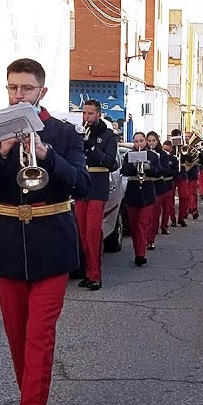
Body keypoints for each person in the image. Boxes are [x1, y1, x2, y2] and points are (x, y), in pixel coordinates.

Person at [0, 58, 89, 405]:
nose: (18, 95)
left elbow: (82, 183)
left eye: (26, 88)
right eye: (12, 87)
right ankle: (32, 403)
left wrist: (47, 155)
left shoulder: (64, 133)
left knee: (40, 335)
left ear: (42, 91)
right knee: (17, 337)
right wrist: (2, 151)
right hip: (8, 244)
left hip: (52, 244)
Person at [75, 99, 118, 291]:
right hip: (80, 186)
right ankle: (88, 272)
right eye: (84, 113)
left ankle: (95, 275)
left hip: (97, 187)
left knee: (92, 233)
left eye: (90, 114)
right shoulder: (78, 132)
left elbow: (110, 162)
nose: (86, 117)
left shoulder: (108, 135)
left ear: (99, 115)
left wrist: (91, 147)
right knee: (82, 234)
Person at [121, 132, 159, 266]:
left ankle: (141, 254)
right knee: (134, 226)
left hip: (147, 192)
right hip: (133, 192)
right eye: (136, 141)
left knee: (143, 225)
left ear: (145, 141)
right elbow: (124, 171)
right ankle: (137, 251)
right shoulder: (128, 155)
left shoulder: (153, 156)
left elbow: (159, 172)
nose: (139, 144)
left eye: (141, 141)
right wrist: (132, 166)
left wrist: (149, 168)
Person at [157, 138, 179, 236]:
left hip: (168, 184)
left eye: (167, 150)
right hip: (159, 184)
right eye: (164, 149)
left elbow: (175, 172)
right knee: (157, 208)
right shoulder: (158, 156)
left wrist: (165, 171)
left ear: (171, 149)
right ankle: (155, 227)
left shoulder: (174, 159)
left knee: (167, 207)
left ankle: (164, 226)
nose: (165, 151)